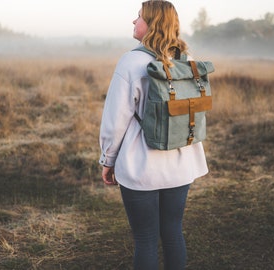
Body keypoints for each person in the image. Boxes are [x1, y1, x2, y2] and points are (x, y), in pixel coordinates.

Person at [99, 1, 208, 269]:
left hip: (142, 165)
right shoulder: (189, 61)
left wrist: (108, 159)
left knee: (146, 238)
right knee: (173, 232)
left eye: (139, 17)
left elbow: (115, 119)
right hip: (182, 163)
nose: (134, 21)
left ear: (153, 23)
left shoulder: (131, 61)